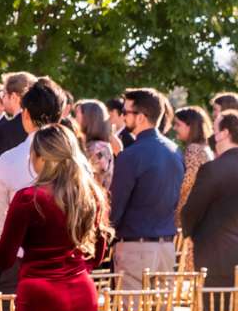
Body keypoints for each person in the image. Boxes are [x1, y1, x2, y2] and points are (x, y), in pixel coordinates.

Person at [0, 126, 107, 311]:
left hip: (39, 294)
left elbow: (4, 257)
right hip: (80, 291)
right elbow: (100, 251)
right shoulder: (90, 194)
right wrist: (76, 264)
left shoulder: (28, 198)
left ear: (39, 158)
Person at [107, 88, 183, 294]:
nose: (122, 116)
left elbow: (115, 206)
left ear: (140, 117)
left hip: (135, 248)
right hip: (166, 246)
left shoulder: (131, 155)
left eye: (126, 112)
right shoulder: (175, 151)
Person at [181, 110, 238, 292]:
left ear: (225, 133)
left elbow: (191, 211)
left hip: (219, 260)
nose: (212, 135)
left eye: (215, 129)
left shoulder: (212, 169)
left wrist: (192, 233)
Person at [0, 78, 67, 243]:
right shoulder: (78, 161)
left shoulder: (8, 161)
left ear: (25, 114)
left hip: (21, 257)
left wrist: (14, 251)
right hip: (69, 258)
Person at [172, 106, 212, 216]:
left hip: (187, 212)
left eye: (178, 124)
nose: (174, 128)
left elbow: (186, 183)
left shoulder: (194, 149)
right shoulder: (205, 147)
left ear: (191, 126)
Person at [75, 99, 117, 192]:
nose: (74, 119)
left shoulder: (98, 149)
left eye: (77, 114)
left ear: (89, 118)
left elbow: (95, 182)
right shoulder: (91, 145)